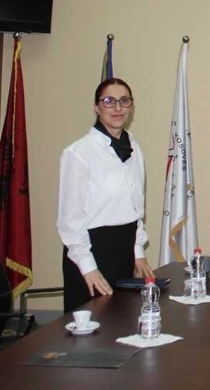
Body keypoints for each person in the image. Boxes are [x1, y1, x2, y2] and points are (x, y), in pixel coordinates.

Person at [57, 78, 154, 312]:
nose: (118, 108)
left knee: (125, 321)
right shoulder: (78, 153)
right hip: (92, 251)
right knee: (92, 325)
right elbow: (70, 220)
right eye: (109, 101)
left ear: (131, 106)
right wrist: (88, 267)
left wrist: (137, 252)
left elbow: (135, 207)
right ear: (96, 107)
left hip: (124, 249)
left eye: (124, 101)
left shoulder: (133, 147)